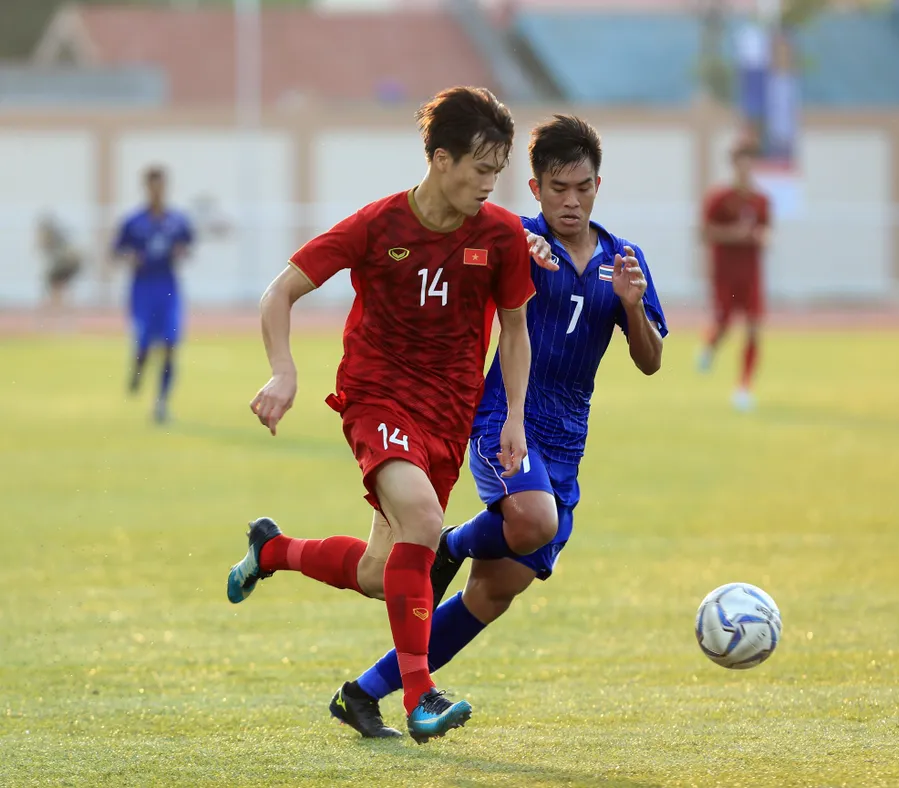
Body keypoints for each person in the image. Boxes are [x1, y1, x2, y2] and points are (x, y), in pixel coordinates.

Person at [235, 114, 668, 739]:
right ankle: (424, 682)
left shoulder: (610, 258)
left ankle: (342, 659)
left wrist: (632, 304)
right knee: (513, 521)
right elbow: (286, 289)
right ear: (537, 186)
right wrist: (283, 370)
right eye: (556, 188)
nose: (570, 201)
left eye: (583, 188)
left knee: (455, 589)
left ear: (599, 185)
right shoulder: (503, 233)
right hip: (460, 412)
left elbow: (647, 359)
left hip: (534, 432)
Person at [226, 86, 556, 744]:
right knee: (428, 523)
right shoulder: (377, 225)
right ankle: (419, 697)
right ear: (440, 159)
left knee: (384, 574)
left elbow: (515, 330)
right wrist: (284, 371)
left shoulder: (500, 236)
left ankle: (273, 550)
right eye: (482, 169)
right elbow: (280, 291)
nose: (493, 184)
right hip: (376, 396)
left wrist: (515, 415)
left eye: (499, 170)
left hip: (449, 415)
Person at [112, 167, 194, 423]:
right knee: (145, 343)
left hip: (168, 286)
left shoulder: (177, 220)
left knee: (170, 344)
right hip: (143, 287)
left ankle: (161, 403)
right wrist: (130, 258)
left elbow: (188, 246)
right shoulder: (133, 222)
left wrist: (182, 252)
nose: (157, 190)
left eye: (161, 185)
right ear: (146, 187)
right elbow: (116, 251)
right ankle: (138, 368)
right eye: (152, 185)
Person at [697, 138, 771, 411]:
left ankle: (744, 387)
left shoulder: (762, 200)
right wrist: (734, 235)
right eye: (741, 160)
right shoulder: (719, 198)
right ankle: (709, 346)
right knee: (724, 324)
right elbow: (704, 232)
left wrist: (764, 237)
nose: (746, 165)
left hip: (751, 275)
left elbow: (766, 231)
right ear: (734, 164)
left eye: (750, 159)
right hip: (725, 274)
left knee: (753, 328)